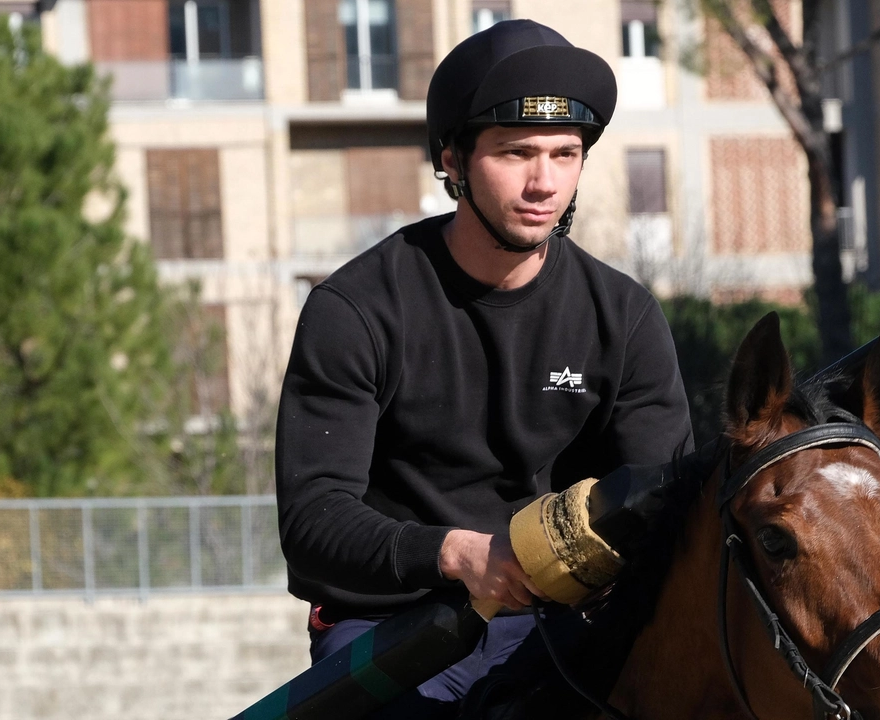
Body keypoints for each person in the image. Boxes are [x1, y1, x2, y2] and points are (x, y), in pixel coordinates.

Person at [275, 19, 694, 717]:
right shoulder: (355, 309)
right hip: (391, 629)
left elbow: (664, 507)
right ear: (453, 160)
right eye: (515, 153)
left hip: (563, 629)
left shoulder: (624, 316)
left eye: (566, 155)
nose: (544, 182)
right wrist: (459, 555)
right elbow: (314, 524)